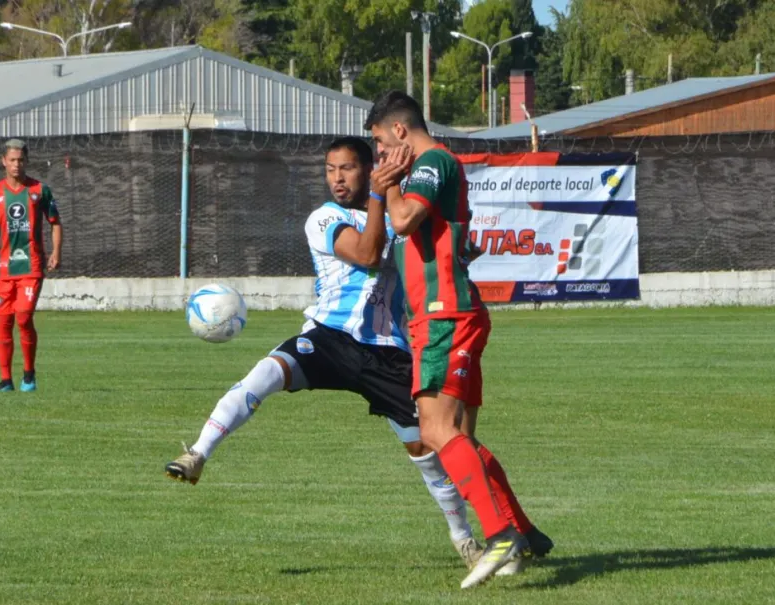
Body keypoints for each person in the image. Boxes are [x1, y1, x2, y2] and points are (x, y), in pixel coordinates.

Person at [164, 136, 485, 569]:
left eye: (348, 168)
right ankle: (198, 453)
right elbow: (369, 254)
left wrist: (461, 248)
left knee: (426, 452)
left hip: (388, 352)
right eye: (331, 169)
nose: (337, 177)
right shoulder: (324, 218)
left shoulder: (397, 213)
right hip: (329, 337)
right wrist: (378, 195)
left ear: (369, 168)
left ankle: (465, 541)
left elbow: (435, 251)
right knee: (267, 372)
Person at [365, 91, 553, 589]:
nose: (380, 156)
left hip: (444, 315)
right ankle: (522, 532)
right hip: (446, 314)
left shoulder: (431, 162)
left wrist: (383, 188)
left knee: (436, 431)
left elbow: (403, 220)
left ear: (401, 132)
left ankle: (499, 536)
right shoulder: (425, 169)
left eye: (381, 144)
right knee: (456, 438)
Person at [0, 139, 63, 393]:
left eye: (21, 160)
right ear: (4, 161)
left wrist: (56, 252)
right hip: (3, 269)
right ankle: (5, 380)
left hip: (31, 266)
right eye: (12, 160)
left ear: (26, 161)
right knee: (4, 321)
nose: (16, 164)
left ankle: (28, 374)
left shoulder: (39, 190)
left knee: (23, 318)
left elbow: (55, 222)